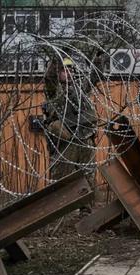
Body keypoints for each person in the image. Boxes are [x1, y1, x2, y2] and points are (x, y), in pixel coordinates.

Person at [43, 55, 102, 214]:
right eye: (64, 69)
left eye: (70, 68)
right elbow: (49, 78)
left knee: (88, 173)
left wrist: (97, 60)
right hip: (67, 139)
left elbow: (94, 78)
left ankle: (86, 209)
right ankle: (58, 212)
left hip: (84, 136)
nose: (68, 72)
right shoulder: (54, 91)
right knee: (62, 176)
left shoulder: (79, 88)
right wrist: (56, 58)